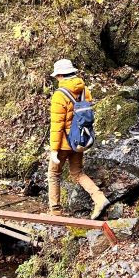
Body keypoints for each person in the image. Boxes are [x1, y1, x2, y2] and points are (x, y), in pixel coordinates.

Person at [48, 58, 110, 220]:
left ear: (61, 75)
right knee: (77, 173)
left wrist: (54, 149)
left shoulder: (59, 95)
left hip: (63, 144)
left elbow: (57, 125)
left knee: (54, 174)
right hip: (79, 140)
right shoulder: (84, 91)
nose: (57, 78)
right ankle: (99, 198)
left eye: (57, 76)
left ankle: (55, 212)